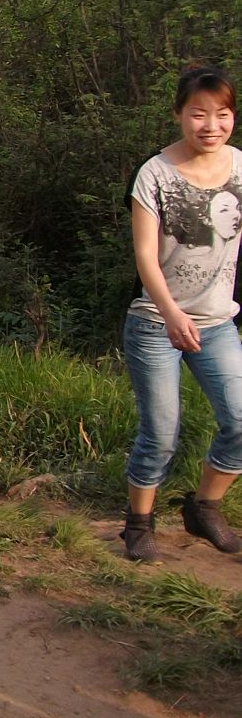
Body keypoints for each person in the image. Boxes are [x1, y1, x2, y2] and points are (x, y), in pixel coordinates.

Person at [121, 65, 242, 562]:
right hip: (155, 321)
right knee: (162, 431)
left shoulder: (238, 166)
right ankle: (138, 523)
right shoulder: (154, 174)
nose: (210, 125)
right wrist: (171, 314)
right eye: (198, 114)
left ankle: (205, 508)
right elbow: (146, 257)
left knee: (239, 420)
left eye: (222, 114)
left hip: (217, 322)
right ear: (178, 116)